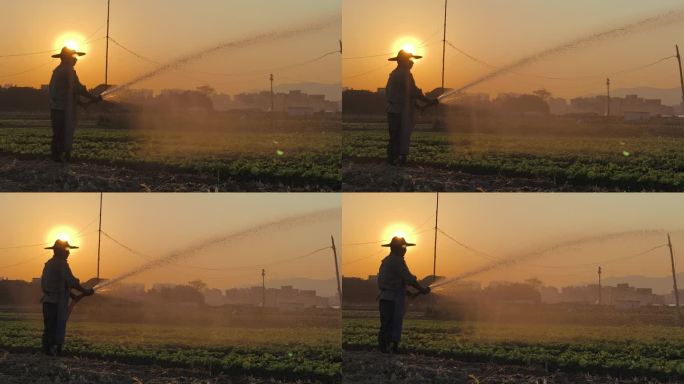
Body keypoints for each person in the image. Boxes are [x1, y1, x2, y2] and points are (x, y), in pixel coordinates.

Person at [40, 239, 94, 356]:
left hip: (48, 301)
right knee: (56, 327)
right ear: (60, 251)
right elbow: (71, 282)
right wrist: (85, 291)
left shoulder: (49, 263)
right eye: (67, 250)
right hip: (56, 303)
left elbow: (59, 284)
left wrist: (73, 295)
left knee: (49, 328)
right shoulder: (61, 264)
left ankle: (49, 351)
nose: (69, 253)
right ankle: (53, 352)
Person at [377, 236, 430, 353]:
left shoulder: (386, 261)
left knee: (386, 325)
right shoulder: (397, 261)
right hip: (393, 300)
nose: (405, 250)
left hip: (385, 298)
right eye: (404, 247)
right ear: (397, 248)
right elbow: (409, 279)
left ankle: (384, 350)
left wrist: (407, 292)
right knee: (393, 324)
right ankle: (390, 349)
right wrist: (422, 289)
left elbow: (392, 281)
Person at [48, 47, 102, 163]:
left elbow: (69, 91)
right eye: (73, 57)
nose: (75, 59)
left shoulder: (58, 70)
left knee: (59, 133)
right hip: (63, 108)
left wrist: (81, 103)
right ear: (66, 58)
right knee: (64, 132)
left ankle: (59, 155)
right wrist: (94, 98)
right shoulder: (68, 71)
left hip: (57, 107)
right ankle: (59, 156)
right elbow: (78, 89)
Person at [385, 50, 439, 166]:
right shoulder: (403, 74)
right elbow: (413, 92)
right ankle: (396, 160)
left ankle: (393, 160)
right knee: (400, 135)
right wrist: (429, 101)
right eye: (409, 60)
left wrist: (418, 106)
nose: (412, 62)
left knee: (396, 136)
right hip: (399, 112)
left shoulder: (395, 74)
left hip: (394, 110)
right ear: (402, 62)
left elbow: (406, 94)